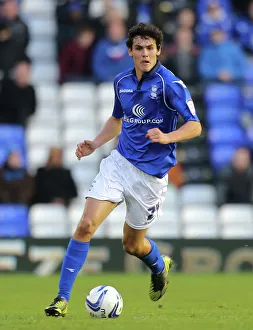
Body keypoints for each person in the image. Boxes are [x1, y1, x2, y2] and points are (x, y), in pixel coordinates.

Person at [45, 22, 202, 317]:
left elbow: (195, 125)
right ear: (130, 51)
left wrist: (167, 136)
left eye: (150, 48)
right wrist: (95, 142)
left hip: (151, 178)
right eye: (139, 48)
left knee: (132, 244)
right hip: (119, 164)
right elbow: (117, 120)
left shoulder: (171, 85)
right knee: (85, 226)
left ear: (158, 51)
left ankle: (159, 265)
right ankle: (61, 299)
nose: (145, 54)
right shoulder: (122, 82)